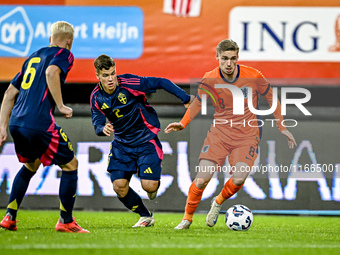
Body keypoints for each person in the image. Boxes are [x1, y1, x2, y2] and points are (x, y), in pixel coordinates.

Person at [165, 39, 297, 229]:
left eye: (233, 59)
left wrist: (282, 126)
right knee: (202, 178)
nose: (229, 63)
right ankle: (187, 218)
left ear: (237, 58)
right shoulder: (210, 78)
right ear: (217, 57)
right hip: (219, 134)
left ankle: (218, 202)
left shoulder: (253, 75)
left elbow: (271, 98)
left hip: (247, 136)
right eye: (225, 58)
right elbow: (198, 103)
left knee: (239, 178)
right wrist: (183, 123)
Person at [0, 21, 89, 233]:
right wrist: (60, 105)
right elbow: (51, 73)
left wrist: (2, 127)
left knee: (31, 166)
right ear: (70, 41)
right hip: (38, 122)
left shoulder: (33, 57)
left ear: (50, 39)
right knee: (71, 165)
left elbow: (9, 94)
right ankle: (66, 221)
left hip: (16, 123)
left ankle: (9, 216)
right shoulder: (64, 54)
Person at [90, 54, 193, 227]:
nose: (110, 79)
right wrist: (102, 129)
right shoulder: (96, 97)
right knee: (119, 186)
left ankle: (151, 178)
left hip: (145, 139)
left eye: (113, 74)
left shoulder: (130, 83)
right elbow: (97, 122)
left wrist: (185, 98)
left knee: (150, 187)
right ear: (98, 76)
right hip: (122, 144)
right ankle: (145, 216)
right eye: (106, 75)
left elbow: (160, 82)